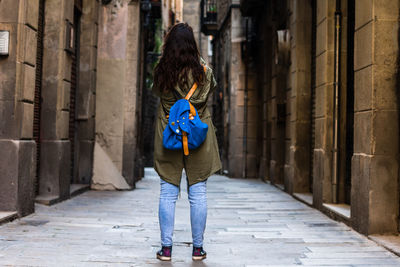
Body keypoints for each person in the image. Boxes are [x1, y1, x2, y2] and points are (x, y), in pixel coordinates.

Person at [152, 22, 222, 261]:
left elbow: (158, 92)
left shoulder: (162, 71)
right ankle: (197, 249)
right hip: (198, 134)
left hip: (169, 133)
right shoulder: (204, 72)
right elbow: (210, 90)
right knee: (198, 190)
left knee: (168, 191)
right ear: (192, 45)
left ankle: (166, 249)